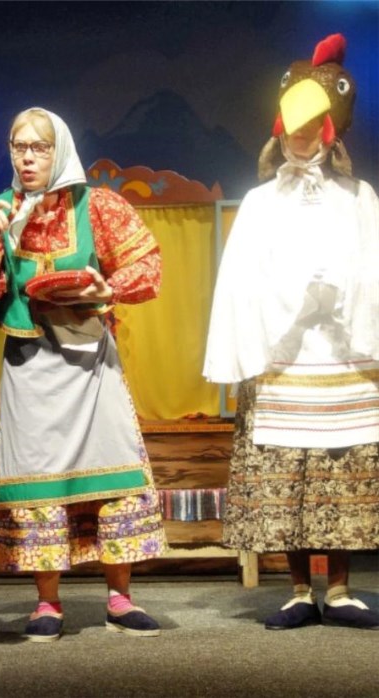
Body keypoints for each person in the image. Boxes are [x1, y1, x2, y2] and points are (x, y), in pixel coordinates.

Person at [0, 107, 167, 641]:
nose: (27, 157)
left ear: (60, 150)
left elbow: (148, 265)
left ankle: (120, 597)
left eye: (39, 147)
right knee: (37, 480)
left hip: (91, 362)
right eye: (19, 146)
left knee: (112, 470)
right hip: (31, 367)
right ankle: (47, 602)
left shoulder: (97, 206)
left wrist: (108, 289)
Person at [204, 34, 379, 631]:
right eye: (293, 128)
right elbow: (241, 280)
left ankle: (342, 588)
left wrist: (340, 287)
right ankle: (299, 588)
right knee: (288, 473)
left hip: (343, 354)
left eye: (312, 128)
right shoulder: (260, 203)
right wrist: (293, 296)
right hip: (283, 357)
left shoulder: (358, 197)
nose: (302, 138)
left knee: (340, 474)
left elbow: (372, 267)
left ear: (329, 130)